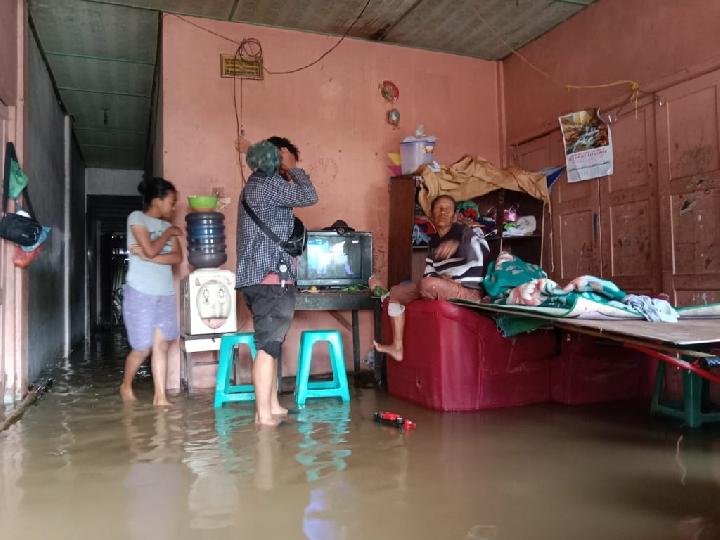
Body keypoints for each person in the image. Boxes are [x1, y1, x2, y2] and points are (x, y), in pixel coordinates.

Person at [236, 139, 318, 426]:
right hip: (271, 277)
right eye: (284, 162)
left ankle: (271, 405)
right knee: (268, 345)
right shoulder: (268, 184)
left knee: (271, 343)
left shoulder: (251, 187)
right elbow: (310, 196)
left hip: (256, 278)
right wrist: (296, 171)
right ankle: (263, 416)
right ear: (274, 161)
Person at [374, 194, 490, 362]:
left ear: (455, 215)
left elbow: (482, 258)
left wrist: (459, 249)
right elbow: (428, 273)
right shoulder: (434, 241)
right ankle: (397, 347)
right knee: (396, 292)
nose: (443, 212)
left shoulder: (465, 233)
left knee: (430, 285)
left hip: (470, 292)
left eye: (448, 209)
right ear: (431, 214)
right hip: (441, 286)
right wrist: (441, 278)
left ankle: (440, 287)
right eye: (439, 208)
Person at [120, 177, 183, 406]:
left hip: (164, 292)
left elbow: (177, 258)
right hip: (140, 291)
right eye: (171, 201)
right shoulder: (136, 218)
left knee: (162, 344)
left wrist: (149, 257)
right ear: (157, 200)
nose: (173, 207)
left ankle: (161, 397)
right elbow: (150, 247)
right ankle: (125, 384)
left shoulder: (169, 227)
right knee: (142, 347)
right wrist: (165, 237)